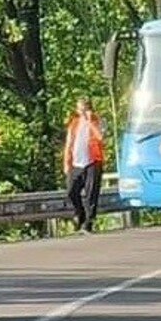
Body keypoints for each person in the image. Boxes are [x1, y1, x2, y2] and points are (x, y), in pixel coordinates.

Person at [63, 97, 105, 233]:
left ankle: (89, 221)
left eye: (84, 108)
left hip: (92, 161)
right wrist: (66, 162)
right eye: (79, 109)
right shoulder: (73, 123)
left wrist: (90, 121)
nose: (81, 111)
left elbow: (100, 137)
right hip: (76, 163)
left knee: (91, 193)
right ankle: (79, 213)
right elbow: (68, 144)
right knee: (71, 191)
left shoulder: (97, 121)